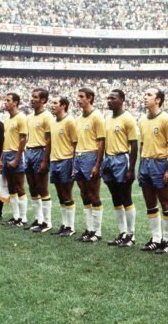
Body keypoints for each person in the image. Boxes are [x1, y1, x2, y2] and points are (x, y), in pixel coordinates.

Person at [137, 88, 168, 254]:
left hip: (160, 163)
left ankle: (166, 241)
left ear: (158, 100)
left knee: (165, 202)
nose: (145, 97)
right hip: (145, 163)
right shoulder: (142, 119)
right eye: (144, 94)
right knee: (150, 203)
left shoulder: (166, 119)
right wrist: (140, 164)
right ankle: (155, 238)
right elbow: (143, 143)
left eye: (149, 95)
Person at [102, 89, 139, 247]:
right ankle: (122, 232)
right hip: (108, 159)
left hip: (121, 159)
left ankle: (131, 234)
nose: (109, 100)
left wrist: (130, 169)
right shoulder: (107, 119)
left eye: (113, 98)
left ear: (122, 100)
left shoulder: (128, 118)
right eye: (108, 98)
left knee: (125, 196)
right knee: (115, 197)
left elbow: (134, 144)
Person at [73, 88, 106, 243]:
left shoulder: (97, 117)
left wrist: (97, 164)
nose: (78, 99)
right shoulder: (79, 119)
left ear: (90, 98)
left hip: (91, 155)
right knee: (83, 193)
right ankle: (89, 228)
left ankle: (97, 231)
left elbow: (101, 142)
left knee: (93, 193)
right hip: (79, 156)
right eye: (78, 96)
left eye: (81, 97)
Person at [24, 88, 54, 232]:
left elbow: (49, 140)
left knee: (42, 187)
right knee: (32, 186)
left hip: (40, 151)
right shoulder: (29, 117)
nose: (32, 99)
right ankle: (38, 219)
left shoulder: (47, 117)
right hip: (29, 151)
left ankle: (47, 222)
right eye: (32, 96)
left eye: (35, 97)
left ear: (43, 100)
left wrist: (45, 160)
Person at [48, 96, 78, 237]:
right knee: (60, 194)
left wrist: (73, 163)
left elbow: (75, 143)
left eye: (55, 103)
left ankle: (70, 227)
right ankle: (64, 224)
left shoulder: (70, 121)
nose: (52, 105)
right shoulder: (53, 122)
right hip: (55, 160)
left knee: (67, 193)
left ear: (63, 105)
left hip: (66, 160)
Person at [1, 93, 28, 226]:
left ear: (15, 103)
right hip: (6, 154)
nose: (5, 102)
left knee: (19, 186)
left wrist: (17, 159)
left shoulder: (21, 117)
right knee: (11, 186)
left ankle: (23, 218)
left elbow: (23, 139)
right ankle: (15, 216)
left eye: (8, 100)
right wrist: (1, 158)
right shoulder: (7, 120)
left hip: (15, 154)